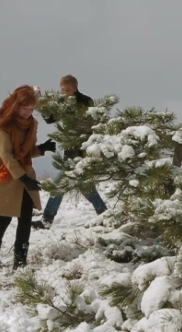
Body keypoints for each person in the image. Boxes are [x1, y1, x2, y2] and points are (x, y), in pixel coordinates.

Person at [0, 85, 57, 269]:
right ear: (15, 106)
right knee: (4, 218)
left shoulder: (32, 124)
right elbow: (7, 156)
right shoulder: (2, 126)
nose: (28, 113)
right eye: (24, 108)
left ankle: (20, 261)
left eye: (31, 109)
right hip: (5, 176)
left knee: (25, 218)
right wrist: (24, 178)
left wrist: (41, 149)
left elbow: (25, 152)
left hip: (23, 173)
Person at [31, 74, 107, 230]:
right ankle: (105, 215)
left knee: (58, 186)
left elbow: (90, 122)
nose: (65, 92)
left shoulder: (85, 101)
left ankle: (47, 220)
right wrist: (40, 104)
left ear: (75, 87)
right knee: (87, 189)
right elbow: (49, 119)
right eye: (63, 89)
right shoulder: (62, 103)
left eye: (68, 89)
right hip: (70, 152)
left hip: (82, 151)